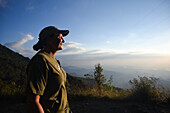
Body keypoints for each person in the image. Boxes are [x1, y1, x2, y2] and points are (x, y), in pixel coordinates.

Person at [26, 26, 72, 113]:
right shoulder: (40, 60)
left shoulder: (53, 59)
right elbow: (33, 101)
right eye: (60, 37)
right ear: (48, 39)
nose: (63, 41)